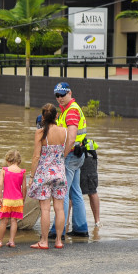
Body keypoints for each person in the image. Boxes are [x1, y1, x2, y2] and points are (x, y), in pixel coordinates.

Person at [49, 82, 90, 239]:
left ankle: (57, 231)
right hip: (77, 156)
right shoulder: (69, 109)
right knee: (75, 192)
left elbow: (71, 137)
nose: (59, 98)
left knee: (62, 193)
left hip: (70, 155)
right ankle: (80, 228)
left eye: (62, 94)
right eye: (57, 95)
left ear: (70, 93)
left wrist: (61, 157)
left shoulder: (71, 111)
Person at [28, 103, 68, 250]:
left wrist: (32, 176)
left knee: (45, 209)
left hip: (44, 174)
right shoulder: (64, 131)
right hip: (60, 172)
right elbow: (66, 149)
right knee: (59, 208)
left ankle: (44, 241)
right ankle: (58, 241)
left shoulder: (40, 133)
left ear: (43, 117)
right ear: (56, 116)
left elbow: (36, 156)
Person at [0, 149, 27, 249]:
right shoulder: (22, 172)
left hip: (7, 199)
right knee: (14, 221)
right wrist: (23, 199)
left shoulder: (5, 170)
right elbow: (24, 187)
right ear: (19, 161)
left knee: (4, 221)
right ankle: (11, 241)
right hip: (18, 200)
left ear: (8, 160)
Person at [81, 137, 101, 228]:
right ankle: (66, 223)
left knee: (92, 191)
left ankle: (97, 221)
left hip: (85, 154)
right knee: (70, 192)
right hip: (85, 153)